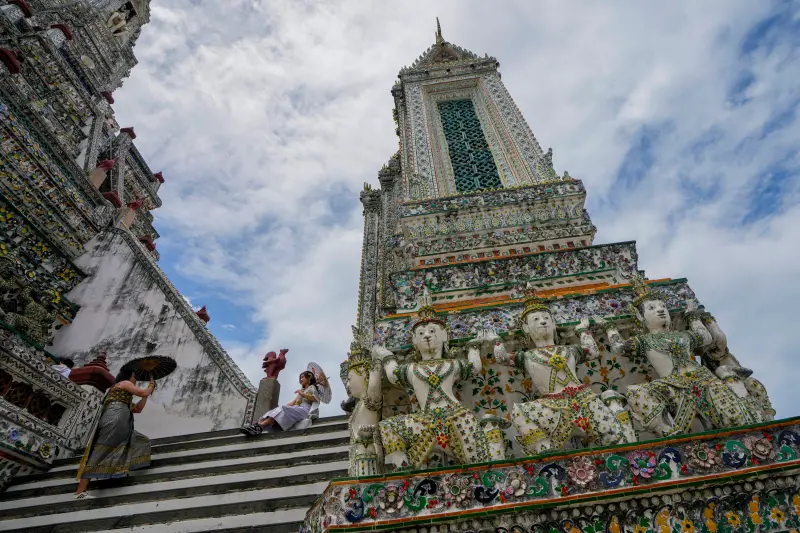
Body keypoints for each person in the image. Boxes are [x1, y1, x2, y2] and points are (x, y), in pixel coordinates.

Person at [74, 368, 155, 499]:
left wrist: (147, 394)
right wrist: (151, 385)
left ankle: (120, 469)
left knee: (141, 441)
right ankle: (80, 491)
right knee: (100, 451)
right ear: (128, 376)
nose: (135, 379)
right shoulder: (124, 383)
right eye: (134, 376)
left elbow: (138, 409)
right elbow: (143, 392)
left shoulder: (123, 395)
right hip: (115, 418)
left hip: (121, 420)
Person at [240, 371, 320, 436]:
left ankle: (259, 427)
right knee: (279, 410)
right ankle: (258, 425)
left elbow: (316, 399)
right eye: (300, 378)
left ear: (309, 377)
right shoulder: (301, 391)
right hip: (297, 408)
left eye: (302, 377)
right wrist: (278, 409)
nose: (301, 379)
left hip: (305, 410)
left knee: (281, 410)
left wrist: (303, 395)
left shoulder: (312, 388)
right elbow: (292, 403)